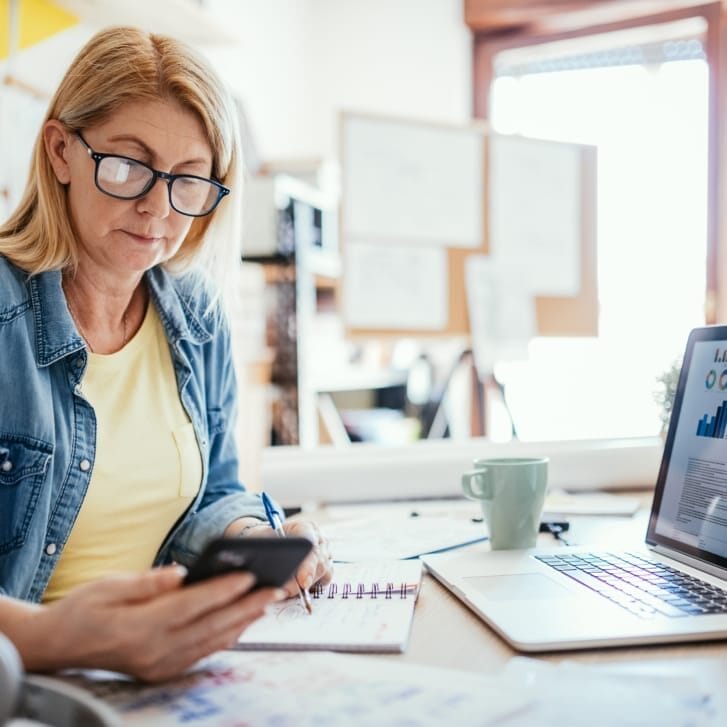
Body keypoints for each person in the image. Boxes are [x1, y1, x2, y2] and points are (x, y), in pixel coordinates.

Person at [0, 26, 332, 682]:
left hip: (151, 677)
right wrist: (56, 636)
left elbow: (213, 491)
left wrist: (250, 540)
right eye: (127, 165)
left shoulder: (195, 314)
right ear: (61, 150)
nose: (157, 208)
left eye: (190, 180)